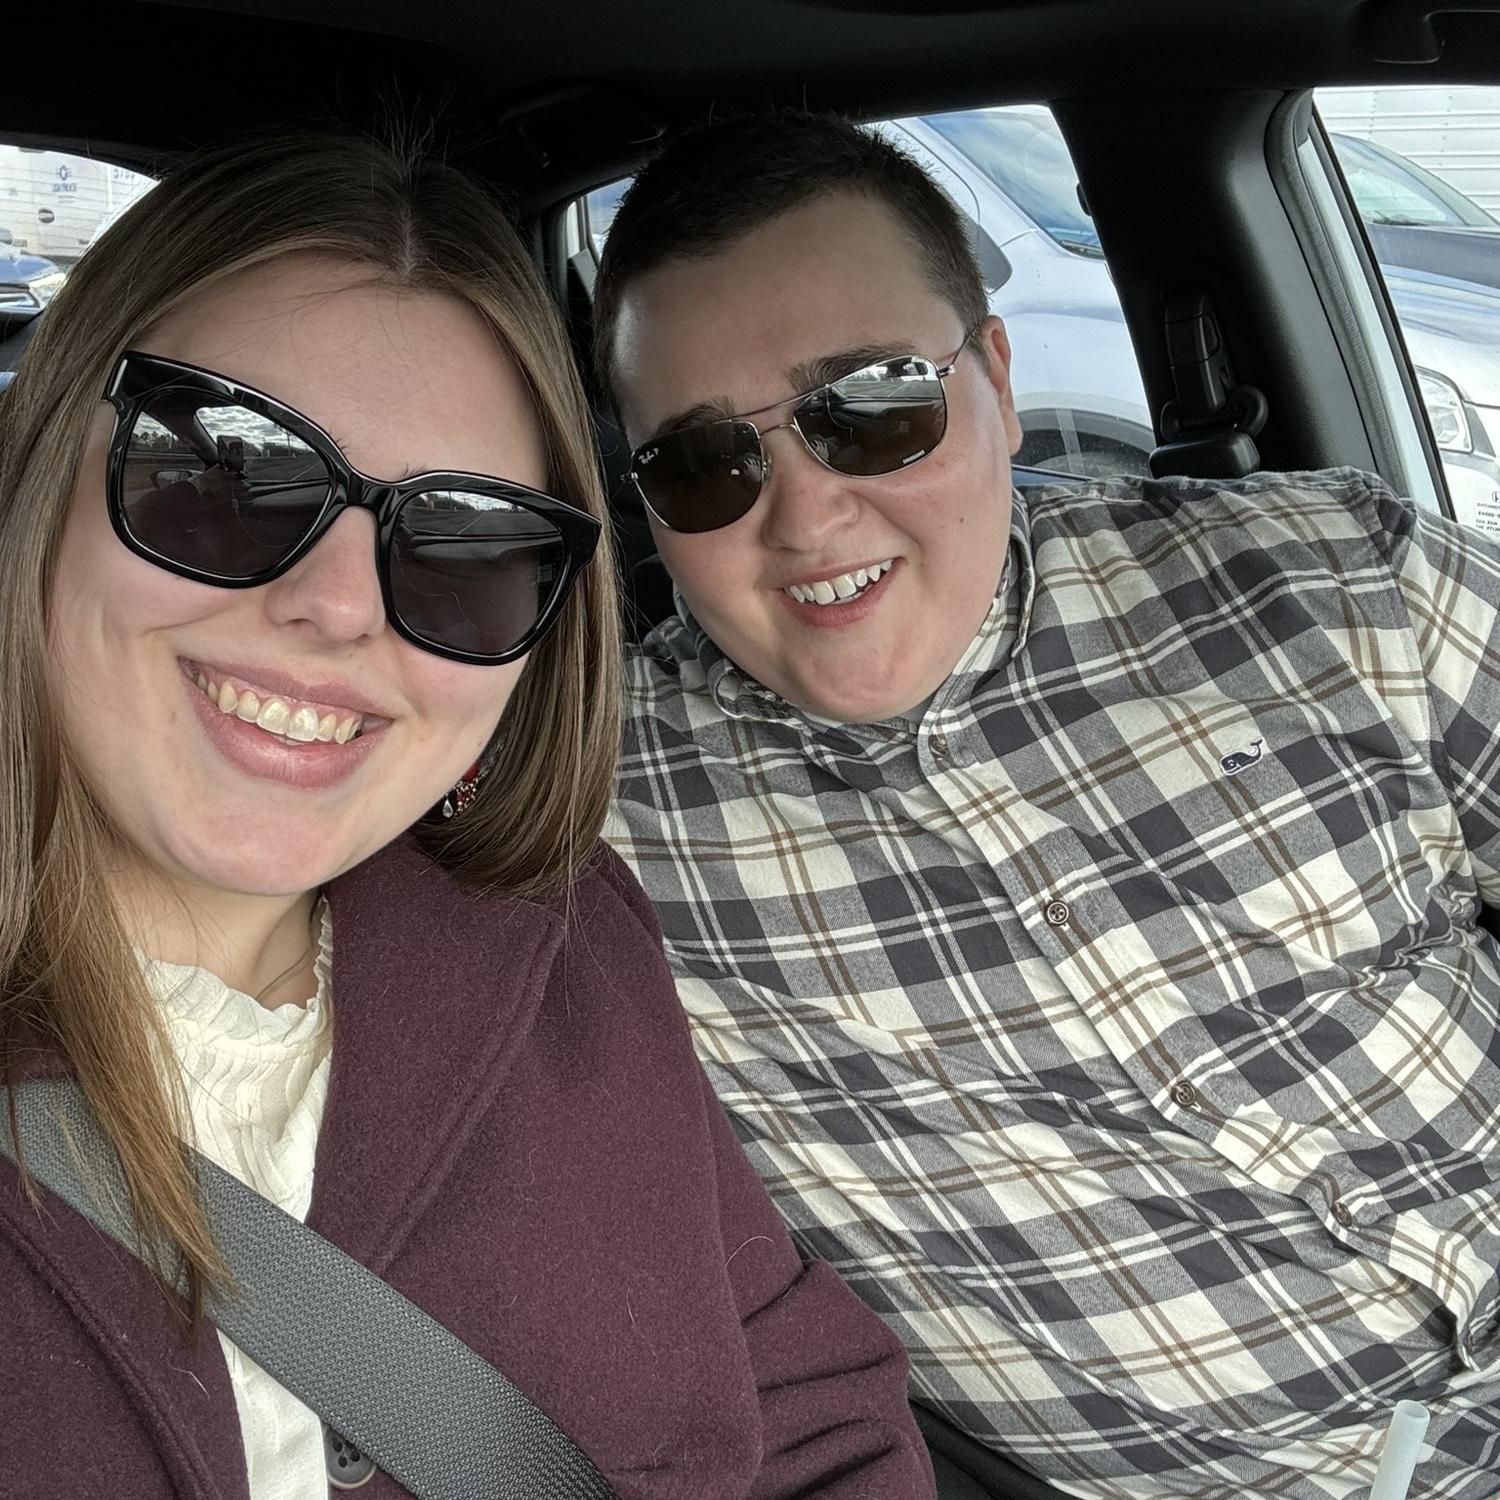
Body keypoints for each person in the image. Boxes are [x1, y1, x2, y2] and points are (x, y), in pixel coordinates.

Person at [0, 130, 935, 1500]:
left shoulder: (571, 953)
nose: (339, 606)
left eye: (465, 545)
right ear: (35, 471)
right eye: (230, 475)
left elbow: (814, 1423)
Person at [596, 112, 1500, 1498]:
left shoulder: (1333, 571)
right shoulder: (597, 821)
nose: (806, 519)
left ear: (1000, 385)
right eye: (705, 464)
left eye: (874, 408)